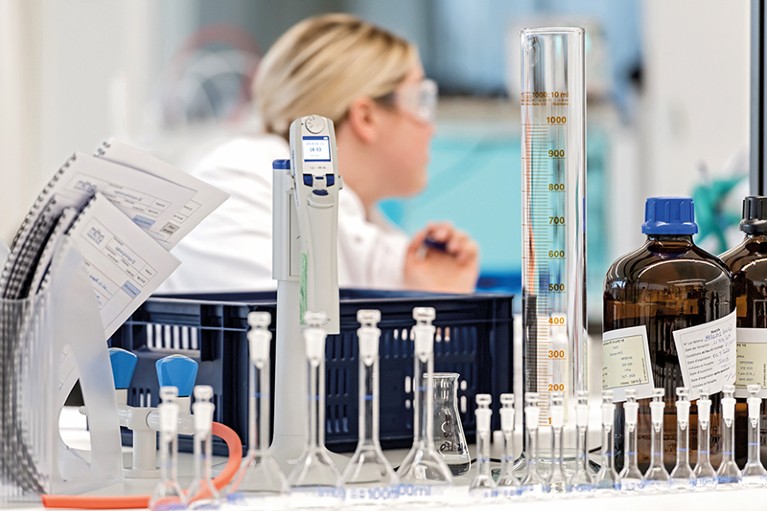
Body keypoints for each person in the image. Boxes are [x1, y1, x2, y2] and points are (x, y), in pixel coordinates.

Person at [162, 13, 479, 293]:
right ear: (366, 117)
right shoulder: (245, 178)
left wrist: (434, 299)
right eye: (419, 101)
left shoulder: (376, 234)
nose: (430, 128)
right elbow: (276, 342)